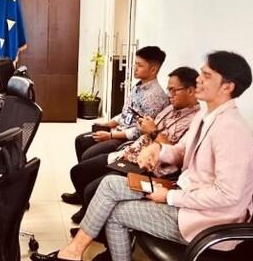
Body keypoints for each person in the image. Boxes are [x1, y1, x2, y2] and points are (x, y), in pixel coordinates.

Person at [32, 51, 253, 261]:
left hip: (206, 220)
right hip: (183, 196)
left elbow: (228, 196)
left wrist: (169, 196)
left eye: (207, 76)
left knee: (117, 213)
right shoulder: (207, 118)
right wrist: (158, 151)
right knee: (110, 184)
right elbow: (182, 151)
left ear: (228, 86)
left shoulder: (232, 130)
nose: (199, 80)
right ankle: (74, 254)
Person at [67, 67, 201, 226]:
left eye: (174, 91)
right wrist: (145, 126)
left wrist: (152, 131)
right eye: (168, 89)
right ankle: (88, 212)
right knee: (79, 171)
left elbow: (176, 155)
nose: (169, 95)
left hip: (148, 167)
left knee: (93, 188)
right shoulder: (168, 109)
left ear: (191, 91)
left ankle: (95, 225)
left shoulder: (195, 121)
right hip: (130, 153)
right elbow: (142, 127)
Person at [63, 45, 169, 205]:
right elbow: (127, 113)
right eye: (135, 64)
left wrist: (111, 135)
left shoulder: (155, 97)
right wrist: (108, 124)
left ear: (153, 69)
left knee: (88, 153)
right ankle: (81, 192)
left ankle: (87, 198)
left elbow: (140, 132)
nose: (134, 68)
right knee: (81, 140)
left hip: (128, 139)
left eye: (139, 65)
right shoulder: (139, 86)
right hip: (120, 130)